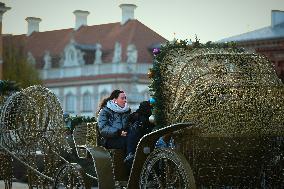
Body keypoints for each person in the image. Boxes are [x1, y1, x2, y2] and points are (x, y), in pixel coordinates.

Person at [124, 100, 155, 167]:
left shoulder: (137, 116)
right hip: (136, 138)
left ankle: (131, 154)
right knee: (135, 130)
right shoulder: (138, 119)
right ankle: (130, 154)